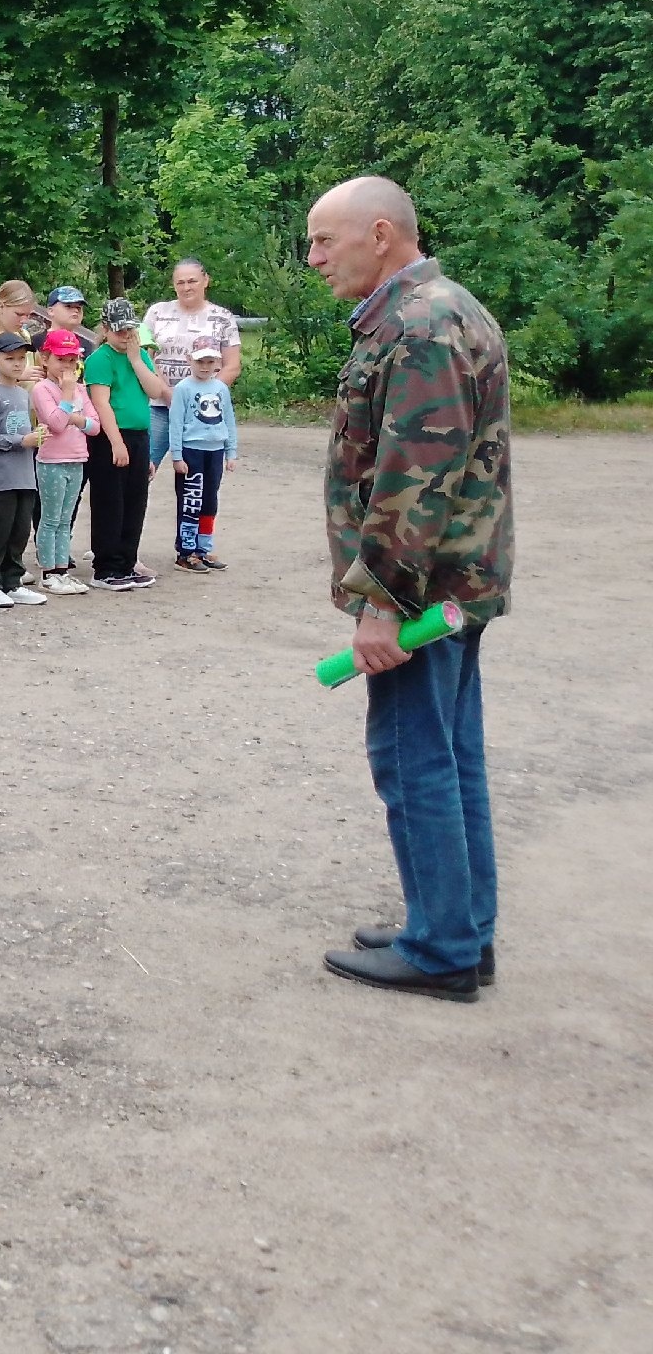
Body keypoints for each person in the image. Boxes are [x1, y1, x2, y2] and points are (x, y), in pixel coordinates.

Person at [307, 175, 513, 1001]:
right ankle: (461, 928)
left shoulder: (421, 323)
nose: (314, 257)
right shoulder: (442, 307)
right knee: (452, 756)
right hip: (455, 582)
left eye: (326, 240)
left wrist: (381, 606)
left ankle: (441, 951)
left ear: (381, 234)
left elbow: (413, 478)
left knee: (415, 758)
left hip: (423, 593)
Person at [82, 298, 170, 590]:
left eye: (129, 330)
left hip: (139, 435)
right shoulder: (99, 359)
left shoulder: (140, 356)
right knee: (111, 502)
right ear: (105, 329)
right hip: (112, 435)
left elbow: (156, 390)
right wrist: (116, 443)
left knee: (135, 502)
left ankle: (127, 562)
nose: (124, 336)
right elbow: (101, 403)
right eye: (119, 331)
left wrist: (136, 359)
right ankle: (106, 567)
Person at [140, 257, 242, 468]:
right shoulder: (157, 312)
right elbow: (144, 356)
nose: (186, 287)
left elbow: (232, 365)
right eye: (180, 282)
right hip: (158, 405)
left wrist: (203, 394)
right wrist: (168, 393)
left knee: (196, 474)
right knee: (142, 467)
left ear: (206, 281)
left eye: (192, 281)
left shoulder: (223, 317)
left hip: (202, 410)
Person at [0, 332, 48, 607]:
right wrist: (21, 441)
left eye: (21, 359)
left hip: (25, 476)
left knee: (19, 532)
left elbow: (25, 429)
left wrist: (37, 434)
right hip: (0, 478)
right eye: (10, 358)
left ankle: (12, 581)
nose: (17, 364)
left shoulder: (21, 393)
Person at [31, 329, 98, 594]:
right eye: (61, 359)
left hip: (77, 458)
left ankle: (62, 570)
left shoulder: (80, 389)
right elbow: (56, 424)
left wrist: (76, 417)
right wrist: (68, 398)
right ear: (45, 359)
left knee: (65, 518)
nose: (67, 366)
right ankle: (49, 573)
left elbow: (95, 426)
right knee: (50, 518)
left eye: (72, 360)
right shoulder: (42, 389)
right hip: (51, 461)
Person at [167, 344, 240, 572]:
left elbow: (228, 420)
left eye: (210, 362)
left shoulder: (220, 388)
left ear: (217, 363)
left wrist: (231, 451)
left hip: (215, 450)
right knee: (191, 500)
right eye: (200, 362)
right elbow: (176, 423)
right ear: (190, 360)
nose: (205, 367)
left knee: (210, 500)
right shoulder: (183, 389)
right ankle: (186, 551)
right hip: (192, 450)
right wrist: (177, 456)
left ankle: (203, 548)